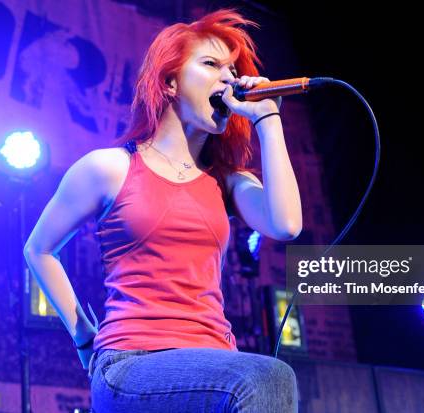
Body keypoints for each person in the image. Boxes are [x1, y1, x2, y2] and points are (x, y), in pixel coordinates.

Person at [23, 8, 302, 412]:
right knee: (270, 377)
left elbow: (286, 224)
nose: (229, 79)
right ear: (170, 81)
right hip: (132, 363)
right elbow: (39, 249)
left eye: (232, 70)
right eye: (211, 65)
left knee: (263, 380)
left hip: (217, 364)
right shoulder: (110, 167)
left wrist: (269, 118)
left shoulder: (228, 182)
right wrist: (85, 339)